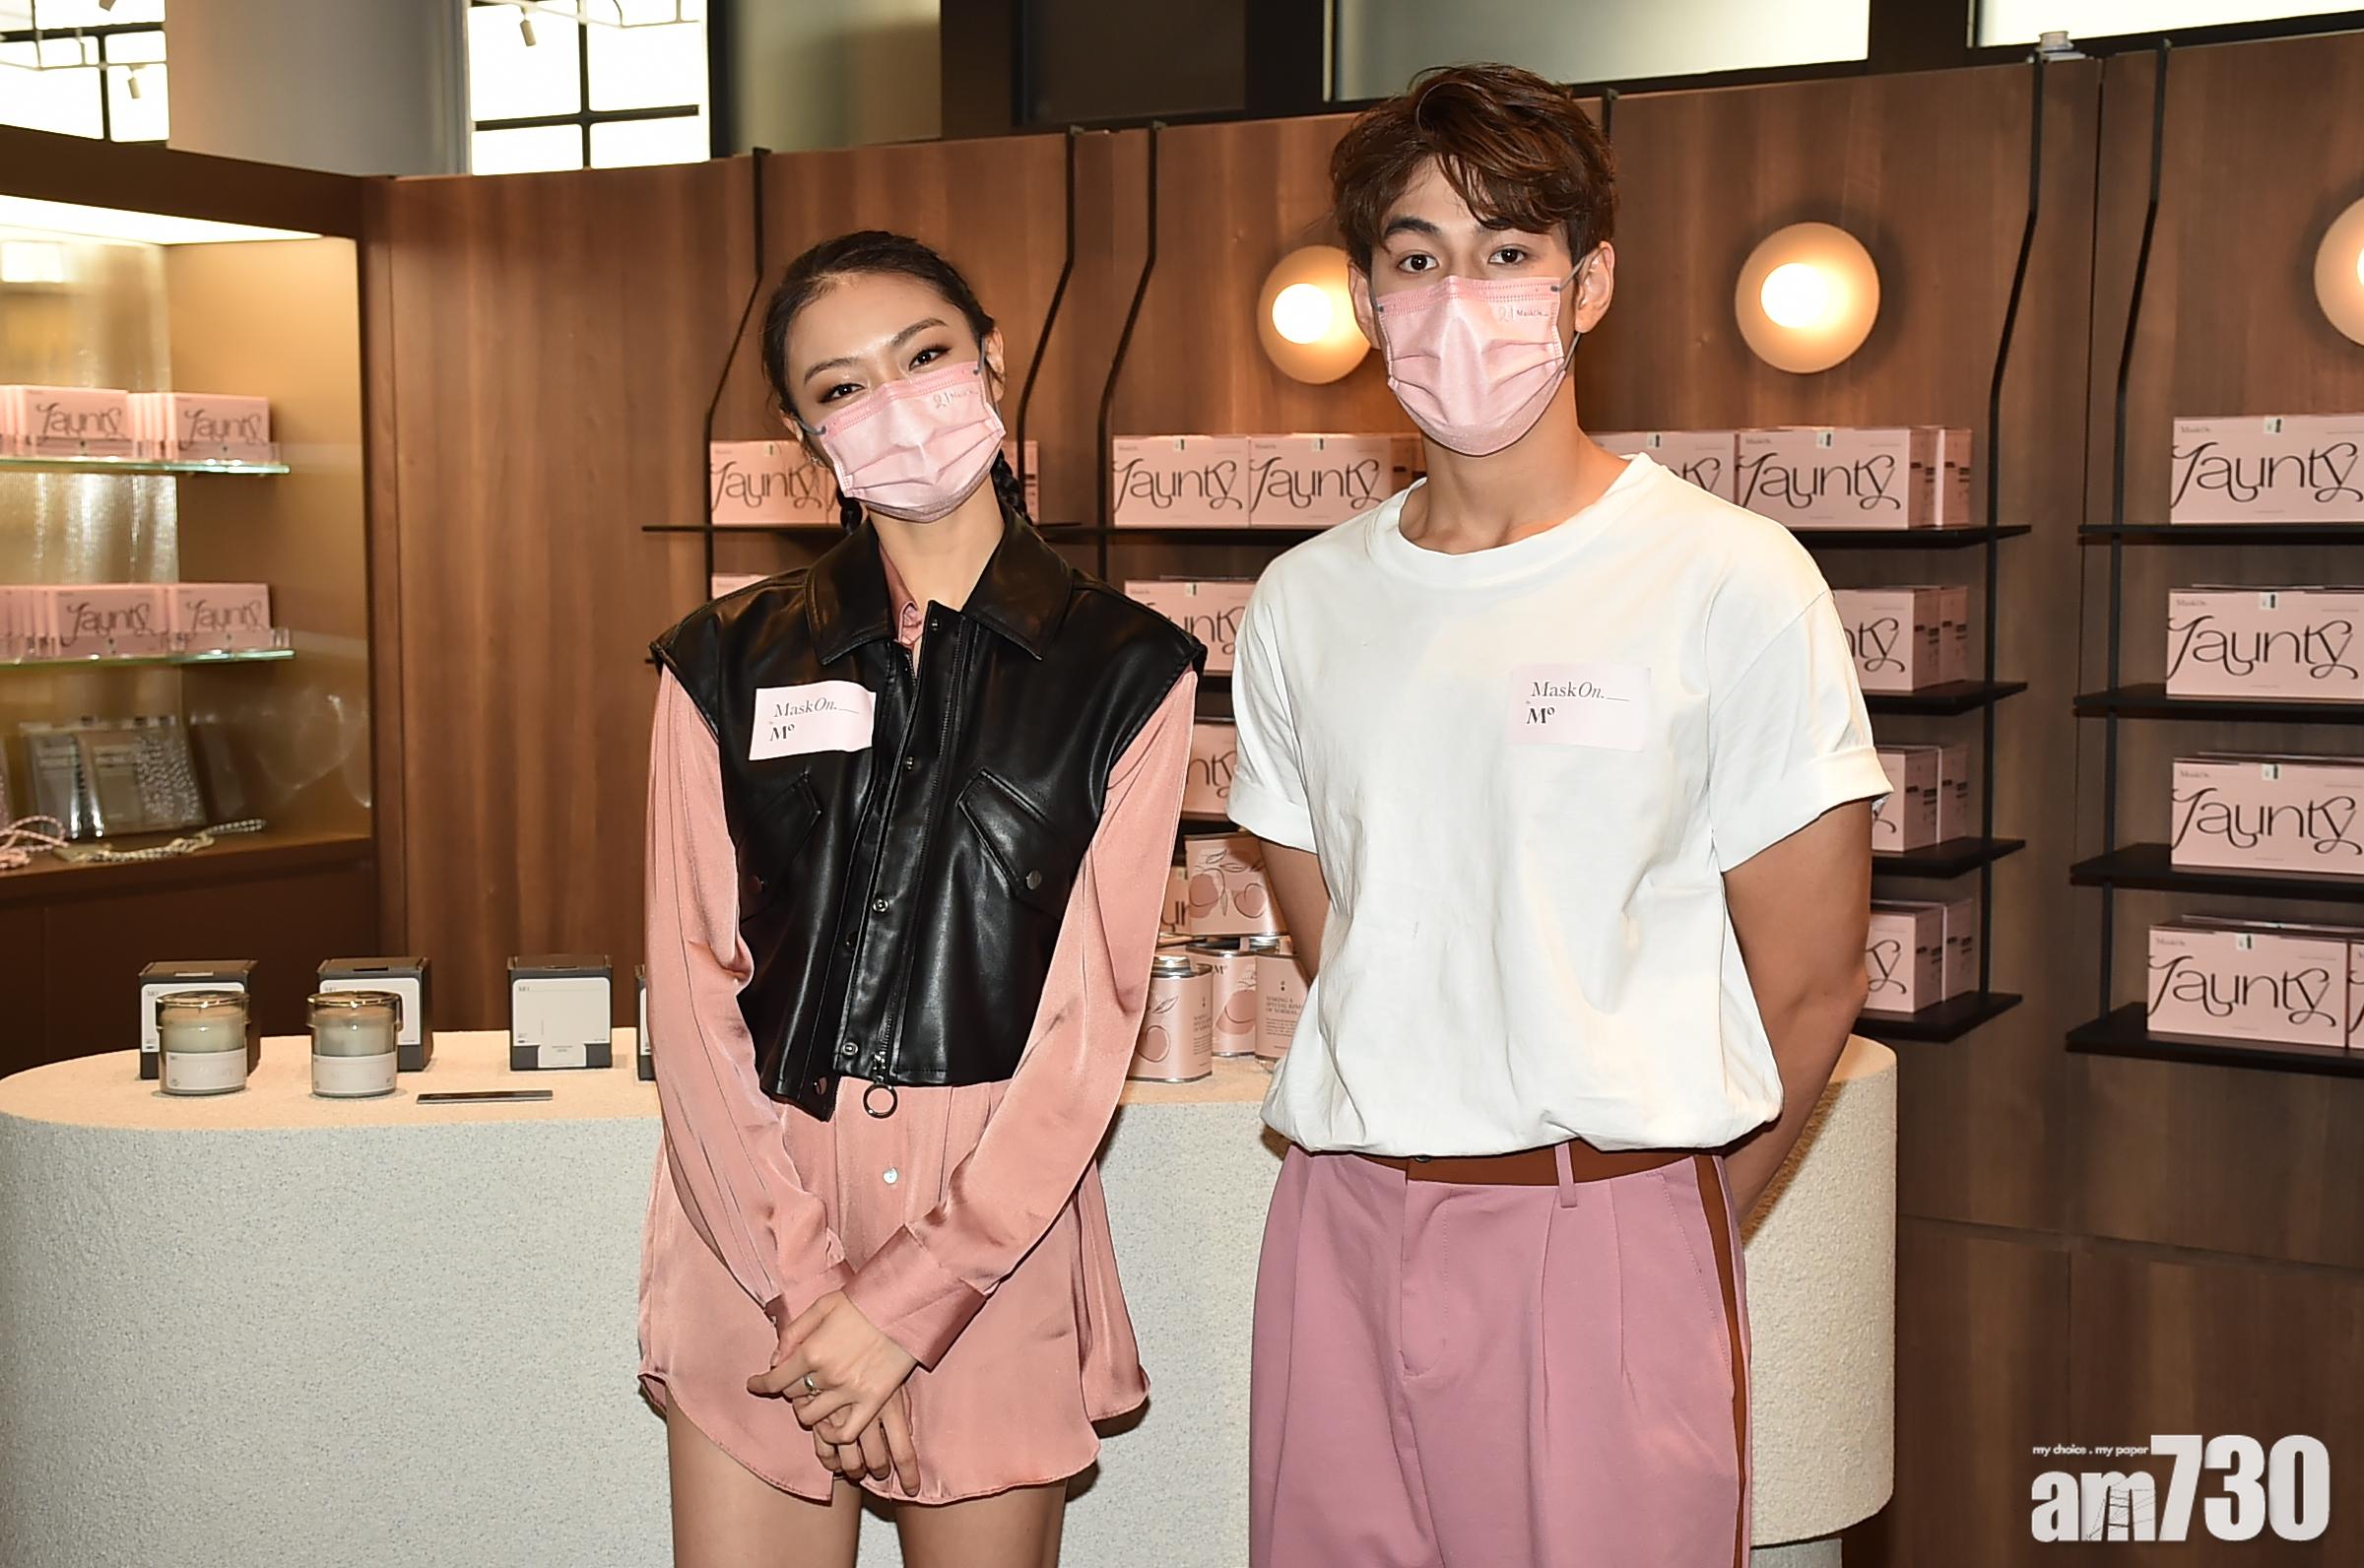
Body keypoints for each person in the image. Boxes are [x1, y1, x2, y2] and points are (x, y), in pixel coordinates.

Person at [1227, 64, 1891, 1568]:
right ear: (1367, 296)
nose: (1460, 298)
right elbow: (1348, 947)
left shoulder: (1728, 579)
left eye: (1509, 250)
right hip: (1341, 1223)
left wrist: (1654, 1232)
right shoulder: (1304, 604)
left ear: (1589, 283)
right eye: (1417, 256)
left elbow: (1811, 982)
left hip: (1605, 1226)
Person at [637, 229, 1203, 1568]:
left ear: (991, 356)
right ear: (803, 432)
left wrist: (906, 1304)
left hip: (993, 1217)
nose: (892, 402)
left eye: (925, 354)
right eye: (840, 387)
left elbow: (1091, 1025)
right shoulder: (720, 659)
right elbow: (691, 985)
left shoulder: (1128, 668)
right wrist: (813, 1294)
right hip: (757, 1204)